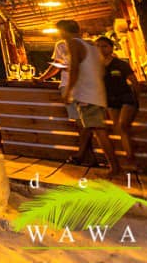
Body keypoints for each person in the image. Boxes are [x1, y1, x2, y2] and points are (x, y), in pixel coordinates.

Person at [60, 20, 119, 177]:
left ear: (64, 31)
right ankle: (109, 164)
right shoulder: (92, 45)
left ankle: (114, 167)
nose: (60, 35)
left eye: (60, 32)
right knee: (94, 129)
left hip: (86, 94)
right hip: (97, 93)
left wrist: (68, 91)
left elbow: (74, 70)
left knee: (99, 132)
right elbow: (101, 70)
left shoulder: (73, 43)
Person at [97, 36, 140, 171]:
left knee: (122, 125)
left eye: (104, 46)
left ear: (111, 48)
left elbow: (134, 82)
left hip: (126, 98)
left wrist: (137, 99)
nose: (101, 49)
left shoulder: (121, 64)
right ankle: (129, 160)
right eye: (98, 46)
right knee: (119, 129)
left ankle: (131, 160)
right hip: (110, 101)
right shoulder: (96, 67)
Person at [36, 39, 79, 124]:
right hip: (69, 85)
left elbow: (56, 66)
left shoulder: (87, 43)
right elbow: (57, 65)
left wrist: (41, 78)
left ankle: (84, 137)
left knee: (81, 119)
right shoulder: (61, 44)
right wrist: (42, 78)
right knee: (80, 119)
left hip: (75, 86)